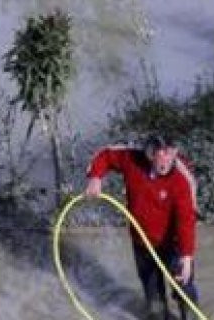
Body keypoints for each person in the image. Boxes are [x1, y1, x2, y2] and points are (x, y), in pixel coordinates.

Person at [84, 135, 199, 318]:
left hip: (174, 245)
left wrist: (186, 256)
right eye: (160, 155)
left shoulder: (181, 179)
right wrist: (95, 177)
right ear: (151, 153)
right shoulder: (132, 160)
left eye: (170, 154)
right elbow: (105, 155)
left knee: (184, 289)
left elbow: (186, 220)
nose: (165, 161)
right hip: (143, 244)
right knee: (154, 303)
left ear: (175, 152)